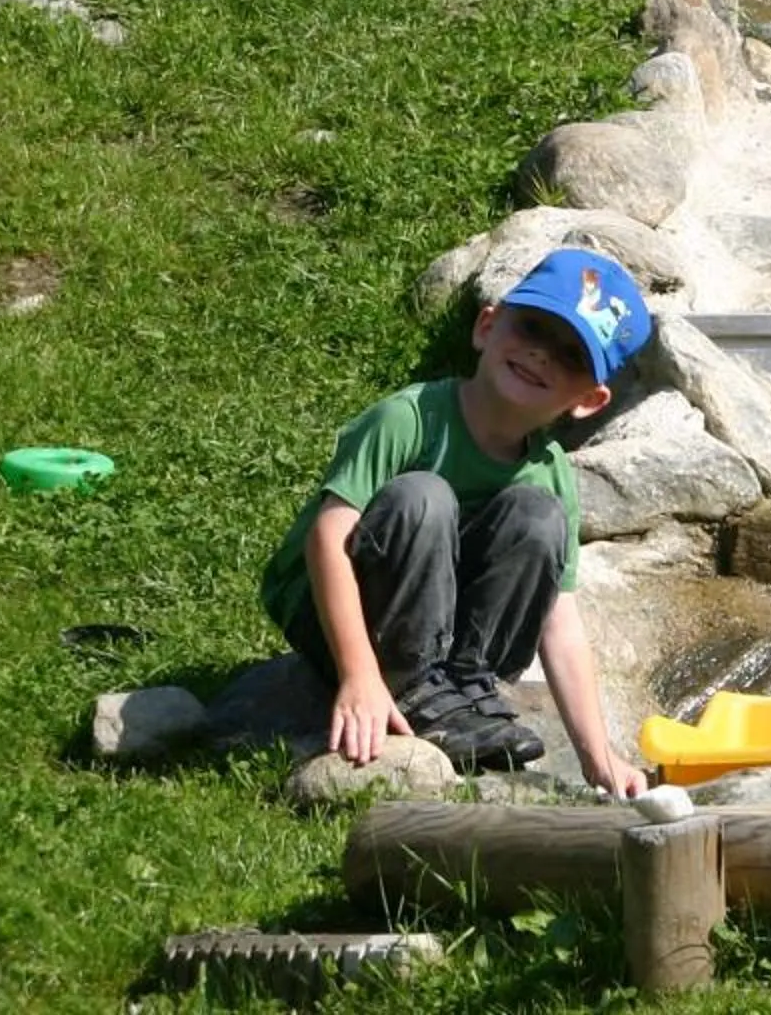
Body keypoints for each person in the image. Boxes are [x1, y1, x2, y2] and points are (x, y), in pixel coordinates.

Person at [260, 245, 650, 790]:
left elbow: (559, 620)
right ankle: (412, 686)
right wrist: (358, 675)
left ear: (588, 401)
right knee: (424, 497)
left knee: (537, 519)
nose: (541, 355)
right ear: (487, 327)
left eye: (570, 357)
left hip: (448, 640)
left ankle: (463, 685)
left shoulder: (551, 474)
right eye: (533, 328)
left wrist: (598, 755)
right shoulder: (411, 418)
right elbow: (329, 538)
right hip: (339, 617)